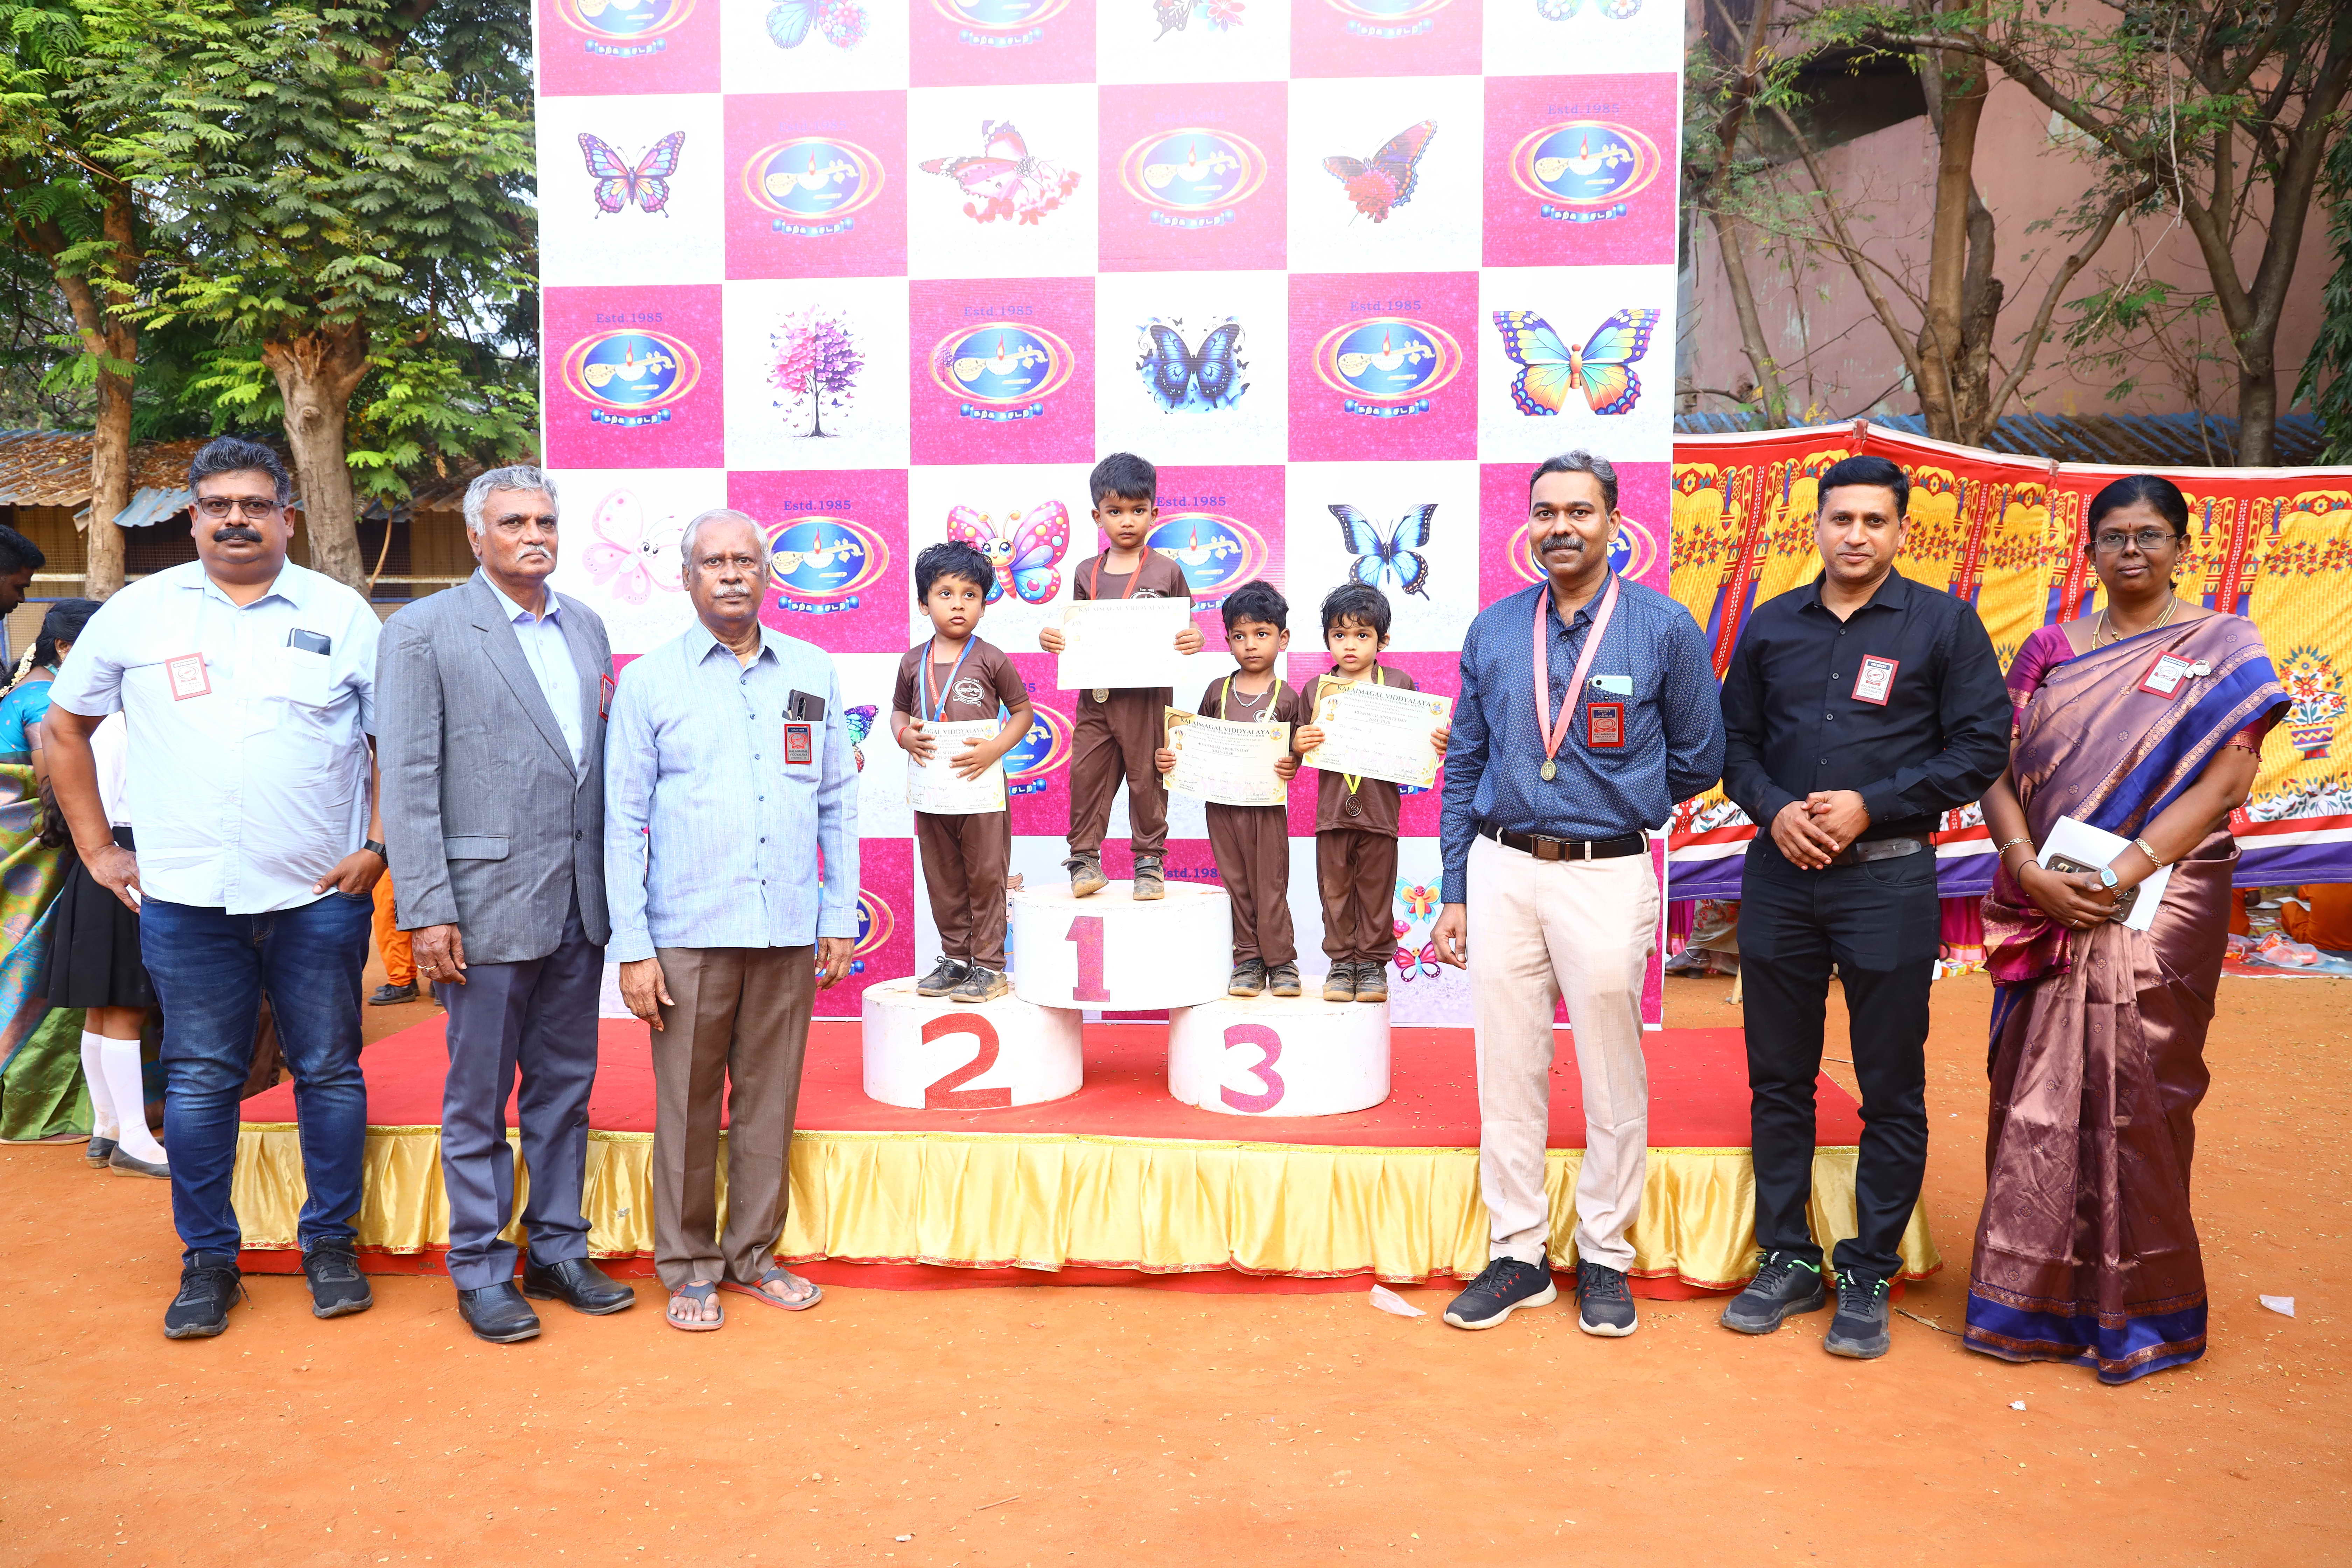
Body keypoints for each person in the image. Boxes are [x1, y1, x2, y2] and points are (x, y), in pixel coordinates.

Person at [43, 435, 387, 1340]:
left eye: (255, 504)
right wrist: (96, 851)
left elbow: (395, 742)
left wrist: (379, 847)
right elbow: (64, 730)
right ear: (191, 517)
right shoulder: (138, 613)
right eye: (217, 505)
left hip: (318, 896)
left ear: (288, 516)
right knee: (199, 1079)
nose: (236, 518)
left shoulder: (342, 612)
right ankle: (208, 1263)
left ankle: (331, 1247)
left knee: (329, 1071)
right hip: (187, 900)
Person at [1970, 473, 2285, 1383]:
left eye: (2151, 535)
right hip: (2049, 896)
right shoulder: (2051, 648)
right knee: (2033, 1089)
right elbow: (1992, 765)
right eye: (2114, 536)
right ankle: (2030, 1301)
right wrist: (2031, 867)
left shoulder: (2223, 646)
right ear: (2092, 550)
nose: (2133, 550)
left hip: (2164, 897)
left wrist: (2121, 871)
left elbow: (2226, 784)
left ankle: (2141, 1309)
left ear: (2182, 547)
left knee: (2141, 1085)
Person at [1715, 452, 2010, 1359]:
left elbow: (1981, 746)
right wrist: (1774, 813)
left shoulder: (1945, 627)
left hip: (1887, 877)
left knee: (1890, 1084)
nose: (1856, 536)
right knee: (1779, 1077)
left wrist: (1869, 805)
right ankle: (1789, 1257)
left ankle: (1870, 1267)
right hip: (1780, 875)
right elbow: (1735, 744)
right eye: (1841, 520)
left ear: (1900, 531)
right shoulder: (1772, 626)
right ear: (1817, 525)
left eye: (1874, 522)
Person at [1432, 451, 1723, 1336]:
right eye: (1546, 512)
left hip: (1606, 871)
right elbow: (1466, 765)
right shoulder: (1492, 629)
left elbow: (1701, 756)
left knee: (1610, 1068)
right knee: (1508, 1066)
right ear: (1529, 524)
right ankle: (1518, 1254)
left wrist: (1622, 801)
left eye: (1580, 512)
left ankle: (1603, 1254)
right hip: (1503, 867)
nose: (1561, 527)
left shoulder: (1663, 628)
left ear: (1614, 523)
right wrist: (1455, 889)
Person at [377, 464, 635, 1344]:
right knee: (478, 1098)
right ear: (475, 535)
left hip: (578, 903)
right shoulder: (423, 631)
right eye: (515, 521)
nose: (536, 534)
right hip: (478, 908)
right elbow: (407, 780)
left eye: (547, 520)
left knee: (565, 1091)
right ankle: (482, 1267)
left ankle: (559, 1249)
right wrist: (426, 907)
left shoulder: (589, 629)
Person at [606, 507, 860, 1332]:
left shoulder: (813, 671)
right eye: (712, 562)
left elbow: (835, 803)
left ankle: (753, 1255)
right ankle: (686, 1265)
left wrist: (837, 910)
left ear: (767, 574)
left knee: (768, 1098)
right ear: (686, 579)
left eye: (744, 560)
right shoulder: (650, 680)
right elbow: (623, 820)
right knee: (684, 1104)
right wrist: (634, 945)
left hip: (786, 925)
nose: (730, 574)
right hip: (687, 932)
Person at [1035, 452, 1202, 901]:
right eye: (1115, 512)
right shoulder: (1086, 572)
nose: (1126, 521)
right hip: (1096, 697)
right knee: (1086, 776)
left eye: (1137, 510)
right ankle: (1085, 858)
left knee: (1148, 778)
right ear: (1097, 516)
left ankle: (1149, 861)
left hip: (1147, 700)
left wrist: (1194, 640)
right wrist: (1055, 639)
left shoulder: (1168, 570)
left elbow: (1186, 630)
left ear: (1154, 512)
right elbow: (1073, 631)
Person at [891, 541, 1033, 1003]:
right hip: (932, 790)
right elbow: (898, 713)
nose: (957, 604)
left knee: (986, 874)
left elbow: (1023, 714)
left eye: (970, 594)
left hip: (982, 790)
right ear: (923, 602)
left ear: (984, 604)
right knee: (943, 875)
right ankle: (956, 960)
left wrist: (994, 748)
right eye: (945, 593)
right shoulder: (913, 661)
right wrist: (903, 736)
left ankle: (990, 967)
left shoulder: (991, 658)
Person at [1292, 583, 1447, 1005]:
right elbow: (1295, 747)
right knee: (1336, 891)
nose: (1351, 645)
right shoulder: (1315, 690)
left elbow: (1420, 744)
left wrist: (1435, 743)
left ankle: (1374, 964)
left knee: (1377, 891)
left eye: (1363, 636)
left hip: (1380, 813)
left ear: (1383, 640)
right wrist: (1298, 742)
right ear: (1327, 639)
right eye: (1340, 635)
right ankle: (1342, 963)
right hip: (1332, 813)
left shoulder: (1399, 682)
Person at [1155, 580, 1305, 998]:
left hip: (1266, 807)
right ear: (1227, 642)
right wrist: (1170, 758)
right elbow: (1192, 743)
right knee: (1237, 882)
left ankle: (1282, 961)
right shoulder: (1216, 692)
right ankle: (1249, 960)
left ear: (1283, 638)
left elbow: (1300, 751)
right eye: (1240, 637)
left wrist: (1293, 762)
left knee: (1269, 883)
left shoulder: (1290, 698)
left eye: (1262, 634)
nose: (1251, 645)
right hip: (1221, 805)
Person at [44, 701, 166, 1175]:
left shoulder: (116, 725)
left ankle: (109, 1128)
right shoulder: (119, 728)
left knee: (103, 1010)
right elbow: (101, 804)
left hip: (108, 867)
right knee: (124, 1006)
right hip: (123, 862)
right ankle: (133, 1140)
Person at [0, 598, 103, 1147]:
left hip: (9, 861)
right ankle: (37, 1104)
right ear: (65, 649)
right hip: (42, 864)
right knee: (41, 974)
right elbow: (52, 786)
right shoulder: (47, 700)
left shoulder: (21, 691)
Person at [368, 872, 418, 1005]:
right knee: (411, 910)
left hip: (392, 858)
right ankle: (409, 977)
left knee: (389, 916)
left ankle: (401, 983)